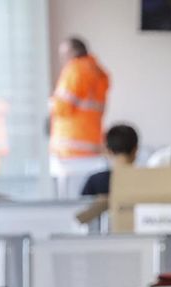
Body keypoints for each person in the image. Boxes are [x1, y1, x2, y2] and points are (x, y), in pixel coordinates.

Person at [48, 36, 109, 197]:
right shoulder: (97, 71)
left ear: (73, 52)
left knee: (68, 201)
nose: (62, 59)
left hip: (70, 150)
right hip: (92, 146)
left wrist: (48, 103)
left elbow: (62, 107)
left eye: (63, 54)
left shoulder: (75, 70)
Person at [80, 123, 137, 196]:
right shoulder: (147, 179)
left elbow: (83, 206)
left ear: (108, 150)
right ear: (135, 149)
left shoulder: (95, 181)